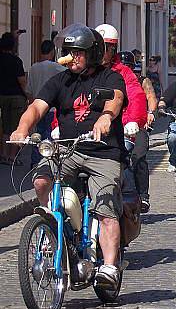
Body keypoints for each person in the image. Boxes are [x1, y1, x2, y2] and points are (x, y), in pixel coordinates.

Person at [10, 24, 128, 289]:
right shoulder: (61, 80)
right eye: (69, 51)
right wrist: (22, 129)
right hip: (68, 150)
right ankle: (53, 226)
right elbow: (36, 108)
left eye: (78, 52)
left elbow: (116, 100)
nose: (72, 57)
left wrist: (106, 118)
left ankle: (110, 266)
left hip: (103, 153)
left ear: (93, 53)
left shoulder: (110, 78)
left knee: (106, 208)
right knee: (41, 181)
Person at [95, 24, 149, 210]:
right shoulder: (84, 71)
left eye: (107, 49)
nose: (102, 53)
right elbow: (69, 100)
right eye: (98, 48)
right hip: (87, 132)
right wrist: (57, 124)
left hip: (119, 128)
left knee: (124, 162)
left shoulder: (123, 73)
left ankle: (130, 204)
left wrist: (134, 120)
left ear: (113, 49)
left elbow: (136, 96)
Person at [118, 50, 157, 213]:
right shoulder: (111, 80)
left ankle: (143, 195)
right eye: (122, 66)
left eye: (128, 66)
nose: (125, 70)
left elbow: (151, 98)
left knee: (138, 156)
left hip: (137, 125)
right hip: (117, 126)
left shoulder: (142, 81)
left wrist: (150, 113)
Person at [26, 40, 66, 167]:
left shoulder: (33, 68)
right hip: (51, 108)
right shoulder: (58, 68)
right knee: (49, 136)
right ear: (52, 52)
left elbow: (29, 90)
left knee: (36, 136)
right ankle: (48, 162)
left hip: (36, 108)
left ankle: (35, 162)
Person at [0, 32, 28, 165]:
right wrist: (28, 95)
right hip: (16, 97)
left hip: (2, 96)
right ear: (13, 46)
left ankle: (4, 155)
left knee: (5, 128)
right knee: (16, 127)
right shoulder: (16, 61)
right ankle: (12, 157)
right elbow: (22, 81)